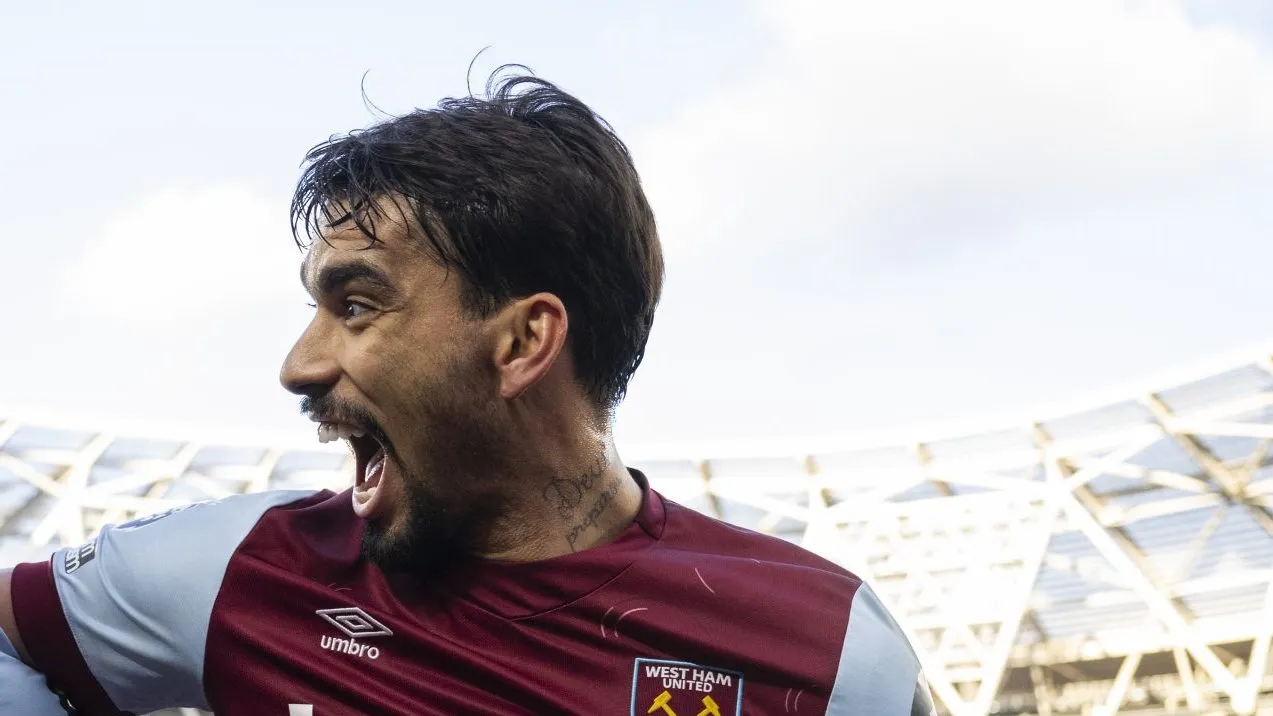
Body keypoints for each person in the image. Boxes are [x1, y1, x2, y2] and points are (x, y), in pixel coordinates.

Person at [1, 69, 935, 715]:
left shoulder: (825, 653)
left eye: (357, 304)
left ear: (524, 341)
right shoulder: (232, 575)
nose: (300, 364)